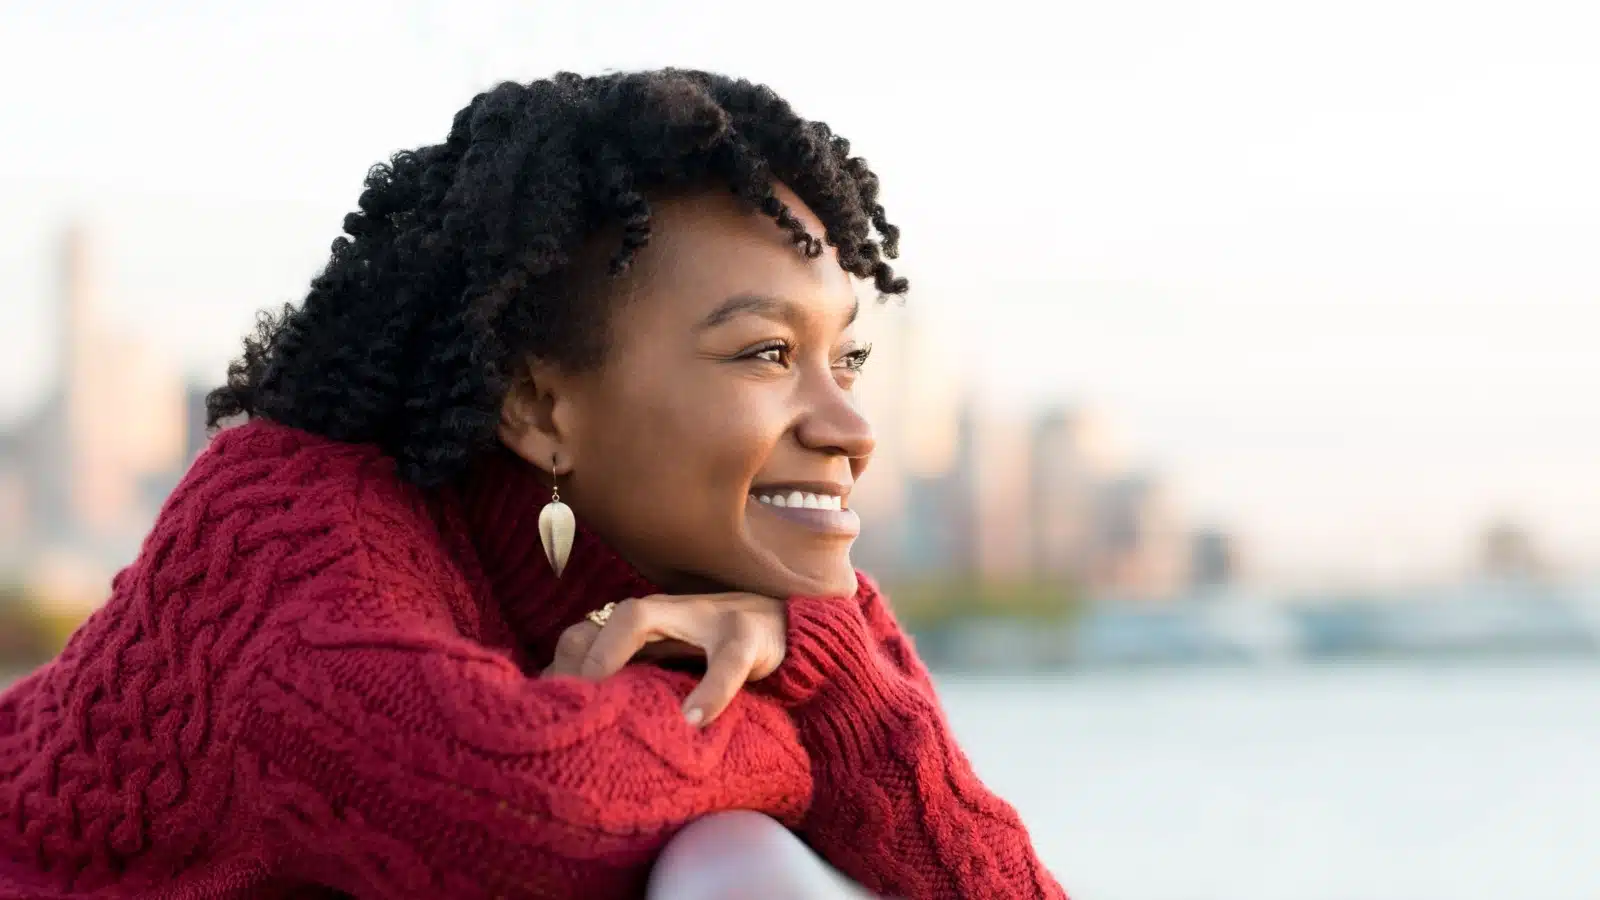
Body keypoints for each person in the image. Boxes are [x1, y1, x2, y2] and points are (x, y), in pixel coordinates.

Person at [0, 69, 1066, 899]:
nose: (851, 429)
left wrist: (823, 662)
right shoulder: (288, 531)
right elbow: (531, 804)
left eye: (849, 360)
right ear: (542, 406)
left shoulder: (752, 604)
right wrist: (799, 726)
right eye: (764, 354)